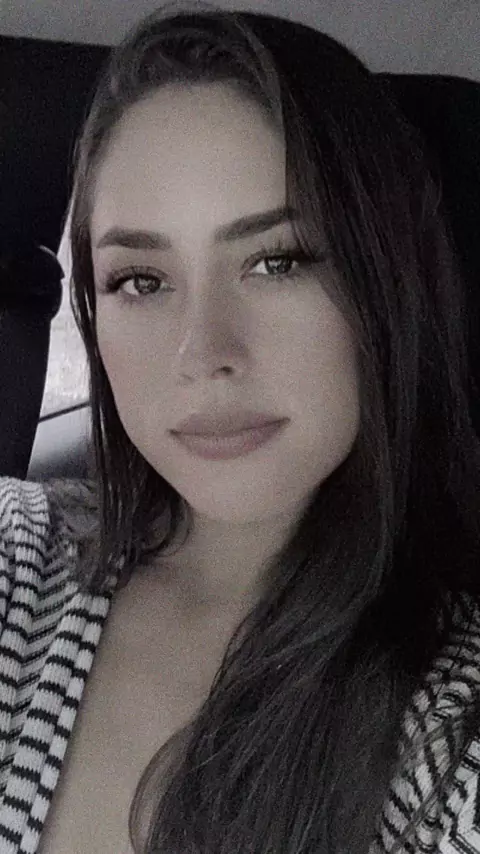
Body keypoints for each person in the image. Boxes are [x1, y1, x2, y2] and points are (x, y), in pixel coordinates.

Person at [1, 2, 480, 852]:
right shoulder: (15, 555)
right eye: (141, 280)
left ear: (385, 280)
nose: (203, 355)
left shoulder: (452, 720)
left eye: (276, 261)